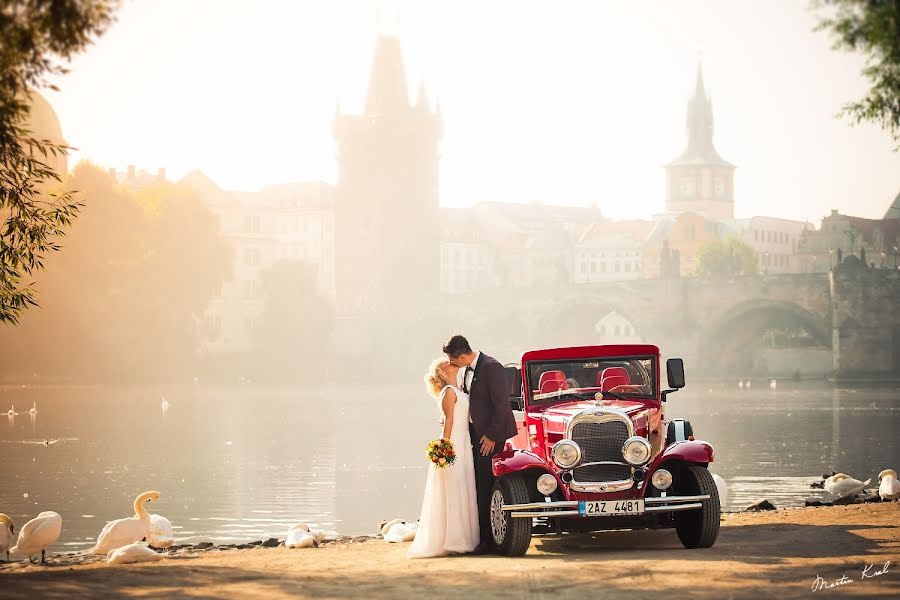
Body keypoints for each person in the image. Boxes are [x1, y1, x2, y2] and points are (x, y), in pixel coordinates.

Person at [443, 334, 517, 553]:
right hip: (475, 435)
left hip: (490, 436)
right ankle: (483, 535)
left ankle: (488, 541)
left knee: (485, 485)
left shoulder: (492, 367)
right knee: (478, 483)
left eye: (453, 360)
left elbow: (502, 405)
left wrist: (492, 436)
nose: (451, 364)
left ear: (464, 356)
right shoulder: (466, 369)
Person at [407, 358, 479, 558]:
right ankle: (454, 540)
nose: (451, 362)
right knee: (453, 488)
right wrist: (445, 446)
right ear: (443, 372)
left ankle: (465, 537)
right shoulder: (448, 392)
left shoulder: (460, 390)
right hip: (453, 442)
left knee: (463, 486)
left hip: (463, 442)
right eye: (446, 363)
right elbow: (449, 421)